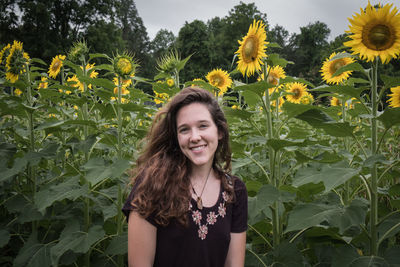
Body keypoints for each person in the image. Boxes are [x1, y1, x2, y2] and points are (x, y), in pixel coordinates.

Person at [122, 87, 248, 267]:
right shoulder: (153, 185)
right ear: (176, 137)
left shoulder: (234, 191)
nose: (195, 137)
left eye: (203, 126)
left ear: (219, 131)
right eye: (184, 130)